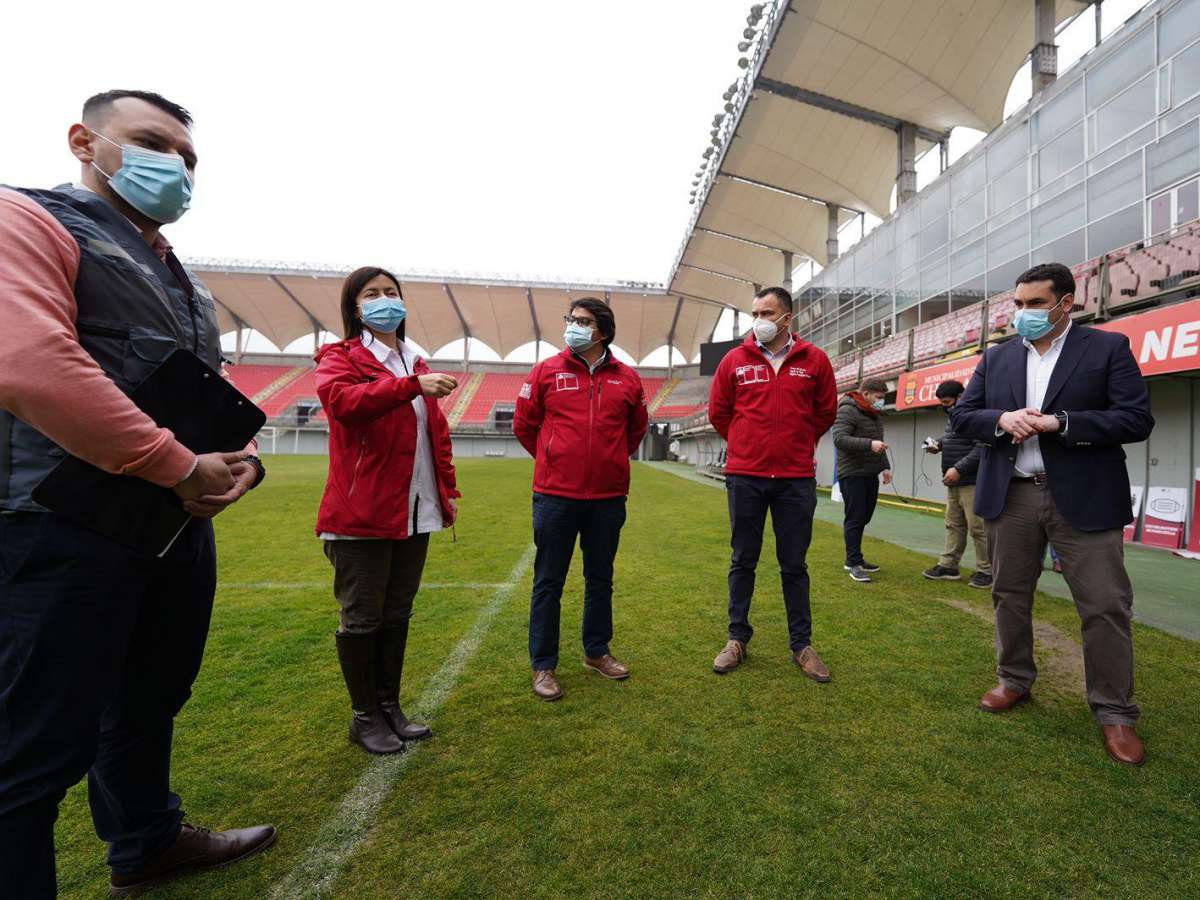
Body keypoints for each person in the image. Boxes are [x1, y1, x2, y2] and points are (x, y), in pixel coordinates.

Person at [0, 90, 275, 898]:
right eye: (154, 144)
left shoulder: (185, 280)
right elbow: (32, 366)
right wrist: (177, 465)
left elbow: (212, 398)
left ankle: (146, 841)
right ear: (85, 140)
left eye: (188, 159)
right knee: (33, 748)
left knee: (151, 698)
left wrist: (242, 462)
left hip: (170, 525)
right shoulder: (30, 221)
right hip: (59, 527)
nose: (176, 168)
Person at [951, 262, 1154, 767]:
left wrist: (1061, 423)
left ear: (1067, 303)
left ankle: (1115, 711)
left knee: (1105, 605)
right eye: (1018, 305)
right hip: (1011, 495)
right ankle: (1014, 679)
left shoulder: (1107, 348)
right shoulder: (997, 358)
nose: (1024, 314)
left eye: (1035, 304)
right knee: (1009, 596)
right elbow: (962, 415)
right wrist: (1001, 418)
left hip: (1082, 495)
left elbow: (1135, 419)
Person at [315, 267, 460, 753]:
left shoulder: (416, 359)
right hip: (362, 514)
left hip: (415, 510)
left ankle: (388, 706)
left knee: (397, 612)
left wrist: (446, 493)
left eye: (391, 292)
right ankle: (364, 717)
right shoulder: (341, 356)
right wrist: (411, 387)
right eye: (371, 294)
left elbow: (429, 438)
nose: (384, 300)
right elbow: (342, 403)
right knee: (362, 618)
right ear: (355, 308)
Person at [513, 298, 648, 701]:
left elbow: (636, 431)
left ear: (602, 331)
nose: (573, 326)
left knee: (600, 579)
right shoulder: (546, 371)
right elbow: (524, 425)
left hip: (607, 499)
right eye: (570, 319)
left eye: (583, 321)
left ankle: (596, 652)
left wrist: (607, 463)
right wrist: (555, 461)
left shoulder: (628, 378)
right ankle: (544, 665)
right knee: (548, 582)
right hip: (555, 497)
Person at [708, 286, 838, 680]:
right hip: (745, 476)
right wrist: (749, 445)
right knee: (742, 559)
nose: (759, 321)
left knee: (794, 565)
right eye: (755, 313)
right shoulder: (734, 360)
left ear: (787, 318)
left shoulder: (814, 360)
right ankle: (737, 639)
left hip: (795, 480)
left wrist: (795, 446)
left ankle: (802, 645)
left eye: (767, 313)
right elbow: (720, 413)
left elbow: (825, 412)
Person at [921, 380, 991, 588]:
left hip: (972, 480)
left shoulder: (978, 414)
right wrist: (939, 445)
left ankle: (987, 570)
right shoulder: (955, 416)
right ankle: (949, 565)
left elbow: (982, 447)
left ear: (961, 396)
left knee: (978, 528)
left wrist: (959, 469)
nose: (945, 406)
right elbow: (955, 438)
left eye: (948, 401)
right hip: (954, 482)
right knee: (953, 525)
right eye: (942, 402)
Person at [832, 378, 892, 583]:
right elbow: (839, 439)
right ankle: (853, 562)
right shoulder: (847, 410)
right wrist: (869, 444)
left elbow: (879, 444)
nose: (881, 401)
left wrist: (885, 466)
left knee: (864, 516)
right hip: (852, 472)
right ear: (866, 393)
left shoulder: (873, 414)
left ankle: (857, 558)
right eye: (879, 397)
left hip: (869, 472)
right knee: (855, 517)